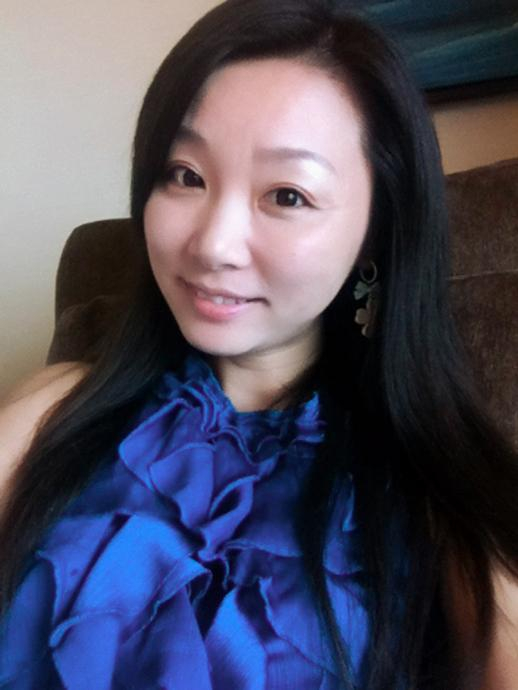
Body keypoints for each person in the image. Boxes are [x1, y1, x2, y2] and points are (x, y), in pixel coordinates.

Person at [1, 0, 517, 687]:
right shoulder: (53, 412)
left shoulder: (440, 495)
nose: (212, 245)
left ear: (376, 228)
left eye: (287, 195)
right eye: (185, 175)